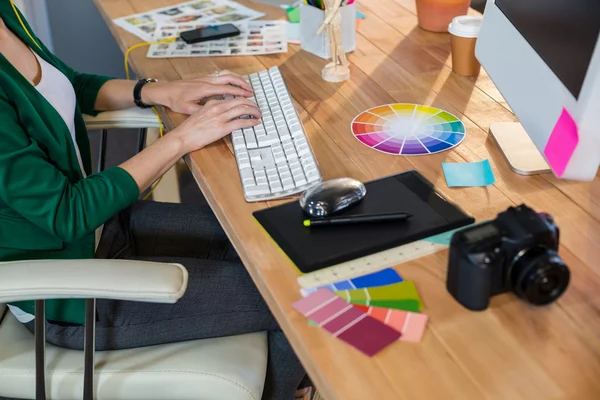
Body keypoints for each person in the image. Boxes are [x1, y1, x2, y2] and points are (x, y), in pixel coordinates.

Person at [0, 2, 305, 399]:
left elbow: (67, 83)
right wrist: (181, 139)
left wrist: (161, 91)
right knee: (297, 300)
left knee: (280, 242)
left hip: (101, 231)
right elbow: (66, 213)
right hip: (63, 294)